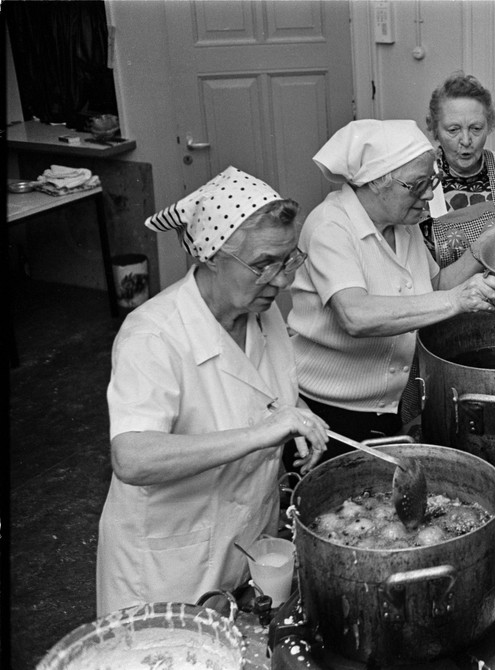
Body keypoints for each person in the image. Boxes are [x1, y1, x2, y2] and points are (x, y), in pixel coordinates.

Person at [97, 167, 329, 616]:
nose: (281, 280)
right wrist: (264, 432)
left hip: (241, 547)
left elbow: (261, 391)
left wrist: (296, 419)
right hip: (169, 569)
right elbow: (132, 457)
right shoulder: (154, 335)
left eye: (288, 260)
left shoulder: (263, 313)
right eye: (264, 264)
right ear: (209, 256)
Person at [287, 119, 495, 459]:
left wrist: (482, 248)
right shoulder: (330, 226)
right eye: (417, 185)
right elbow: (355, 315)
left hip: (389, 405)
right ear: (374, 184)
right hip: (327, 411)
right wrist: (456, 300)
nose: (429, 194)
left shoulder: (403, 225)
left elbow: (434, 286)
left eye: (432, 180)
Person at [420, 71, 495, 268]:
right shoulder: (423, 177)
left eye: (476, 128)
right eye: (453, 130)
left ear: (489, 126)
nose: (466, 141)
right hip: (448, 295)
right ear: (435, 129)